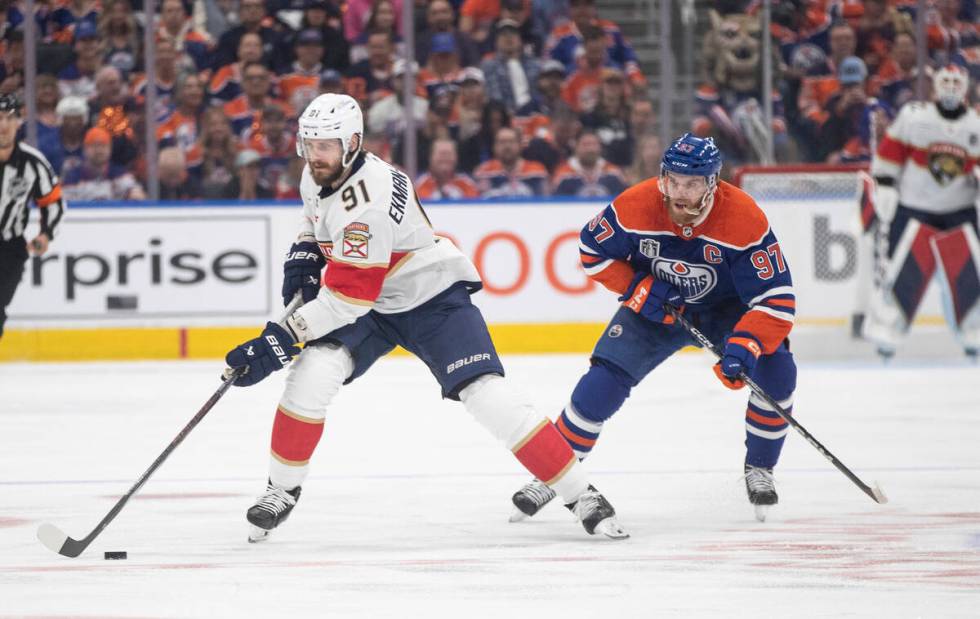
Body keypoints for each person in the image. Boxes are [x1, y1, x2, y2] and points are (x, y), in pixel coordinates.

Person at [223, 93, 628, 543]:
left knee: (487, 394)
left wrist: (279, 340)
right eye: (308, 144)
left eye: (325, 146)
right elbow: (313, 214)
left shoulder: (367, 208)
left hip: (428, 294)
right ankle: (281, 490)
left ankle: (581, 494)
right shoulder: (322, 169)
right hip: (372, 298)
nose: (314, 155)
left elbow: (347, 301)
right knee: (311, 375)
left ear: (353, 143)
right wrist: (305, 246)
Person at [508, 133, 798, 524]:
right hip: (657, 308)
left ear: (713, 182)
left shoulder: (743, 217)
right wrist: (636, 287)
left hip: (726, 311)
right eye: (674, 180)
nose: (680, 192)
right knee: (601, 383)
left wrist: (746, 342)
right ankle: (555, 473)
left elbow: (776, 297)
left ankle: (760, 468)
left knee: (777, 370)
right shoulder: (635, 205)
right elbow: (592, 251)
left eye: (692, 183)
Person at [863, 64, 980, 360]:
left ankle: (973, 331)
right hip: (914, 210)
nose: (951, 87)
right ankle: (888, 331)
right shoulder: (914, 118)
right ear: (935, 85)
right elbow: (890, 153)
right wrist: (886, 184)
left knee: (969, 276)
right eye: (946, 81)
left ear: (966, 86)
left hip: (959, 211)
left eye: (957, 81)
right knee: (902, 272)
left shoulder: (975, 125)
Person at [0, 95, 67, 340]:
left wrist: (46, 234)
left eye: (9, 118)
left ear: (19, 122)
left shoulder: (32, 162)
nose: (3, 125)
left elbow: (53, 202)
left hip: (9, 249)